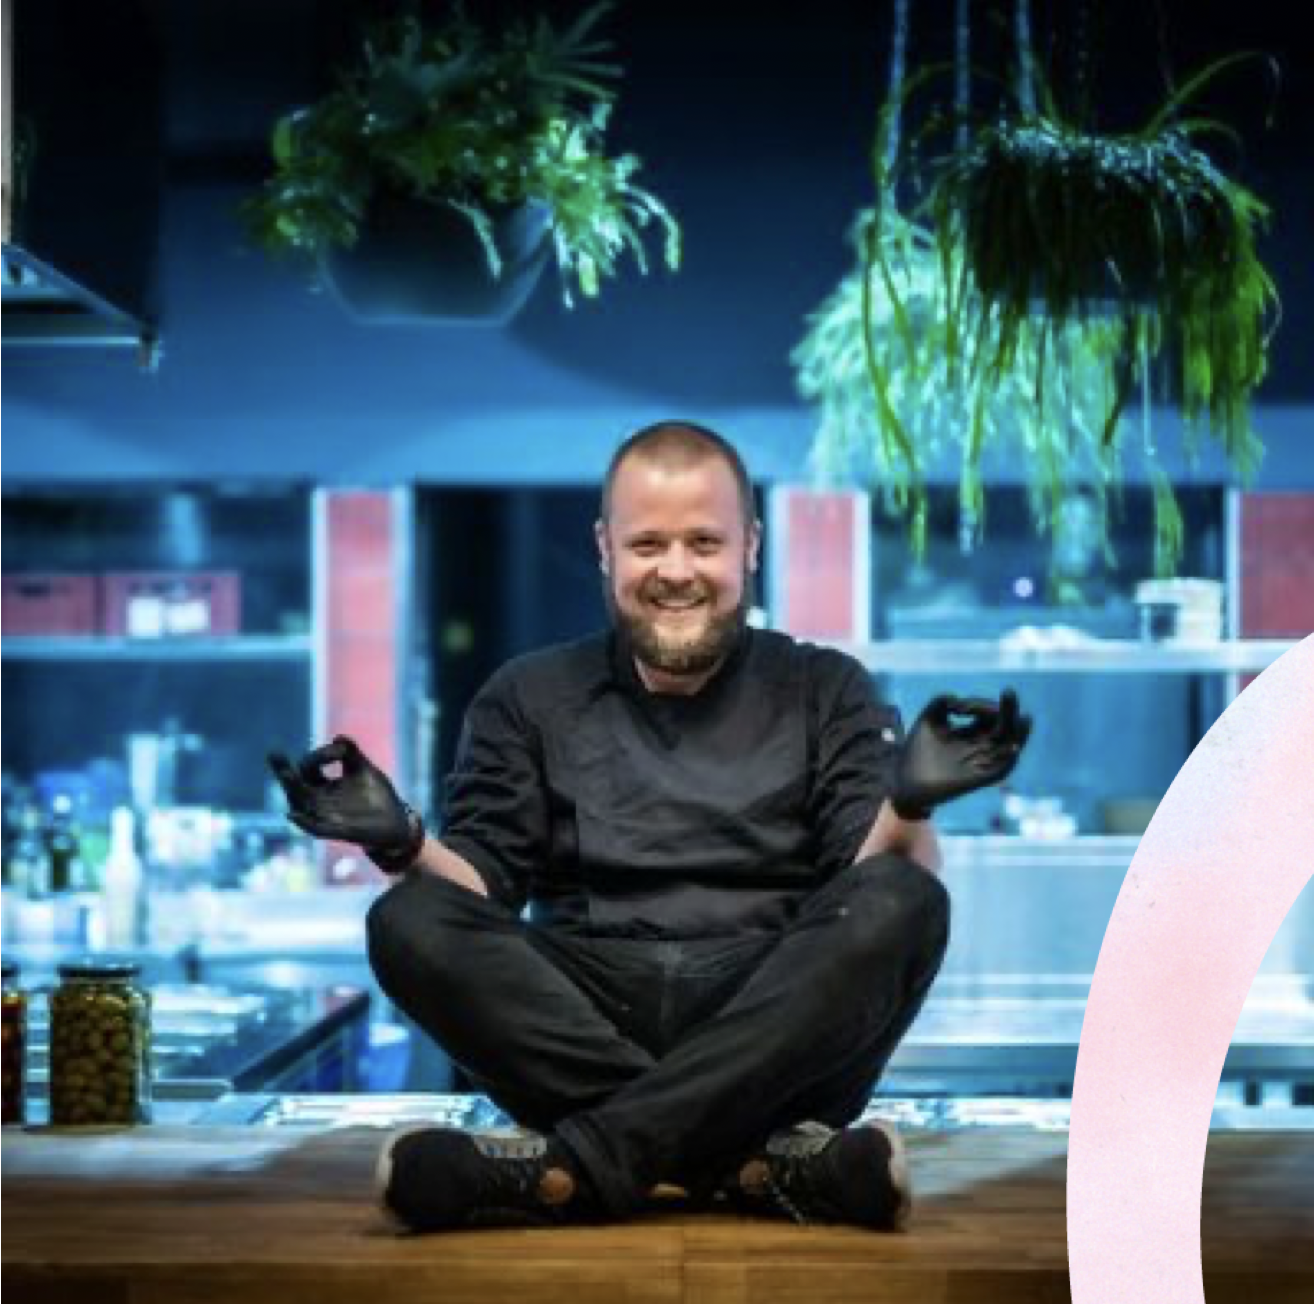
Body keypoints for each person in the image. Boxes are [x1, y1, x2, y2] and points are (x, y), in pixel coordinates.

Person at [269, 420, 1031, 1234]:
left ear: (750, 546)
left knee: (906, 898)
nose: (676, 571)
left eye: (704, 542)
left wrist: (910, 805)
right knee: (407, 918)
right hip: (585, 1013)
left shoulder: (824, 686)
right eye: (648, 544)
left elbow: (866, 884)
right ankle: (754, 1166)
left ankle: (580, 1167)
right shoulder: (527, 695)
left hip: (775, 1024)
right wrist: (401, 841)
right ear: (605, 547)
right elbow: (482, 892)